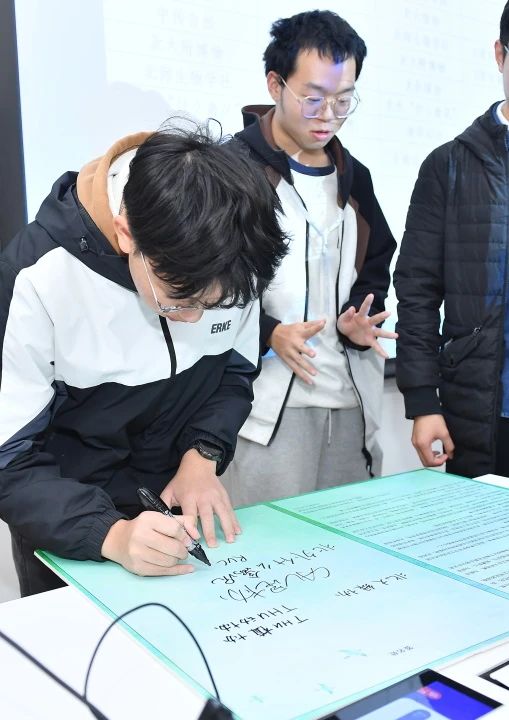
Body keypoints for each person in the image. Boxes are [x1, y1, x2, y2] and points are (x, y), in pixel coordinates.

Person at [0, 123, 288, 596]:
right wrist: (110, 535)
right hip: (68, 521)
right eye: (179, 301)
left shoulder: (235, 253)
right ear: (126, 234)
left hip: (175, 505)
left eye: (215, 305)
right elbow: (10, 457)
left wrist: (203, 455)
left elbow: (234, 373)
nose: (195, 319)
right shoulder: (37, 277)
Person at [223, 10, 397, 505]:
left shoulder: (354, 178)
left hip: (349, 402)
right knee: (268, 545)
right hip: (261, 411)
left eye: (343, 101)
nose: (328, 116)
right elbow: (204, 287)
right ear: (275, 84)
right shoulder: (230, 171)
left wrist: (357, 316)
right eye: (314, 99)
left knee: (351, 543)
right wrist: (267, 332)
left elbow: (375, 264)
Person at [394, 2, 509, 478]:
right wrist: (423, 401)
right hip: (484, 411)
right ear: (501, 55)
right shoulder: (449, 165)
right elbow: (417, 289)